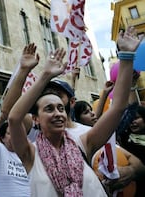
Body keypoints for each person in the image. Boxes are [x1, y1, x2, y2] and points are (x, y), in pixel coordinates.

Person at [8, 27, 142, 196]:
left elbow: (117, 108)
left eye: (61, 108)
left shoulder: (82, 142)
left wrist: (127, 56)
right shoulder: (30, 153)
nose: (57, 113)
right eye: (49, 109)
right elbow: (13, 118)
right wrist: (45, 75)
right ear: (36, 119)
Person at [0, 43, 40, 197]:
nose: (13, 135)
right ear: (1, 138)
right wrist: (23, 71)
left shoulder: (30, 151)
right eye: (9, 133)